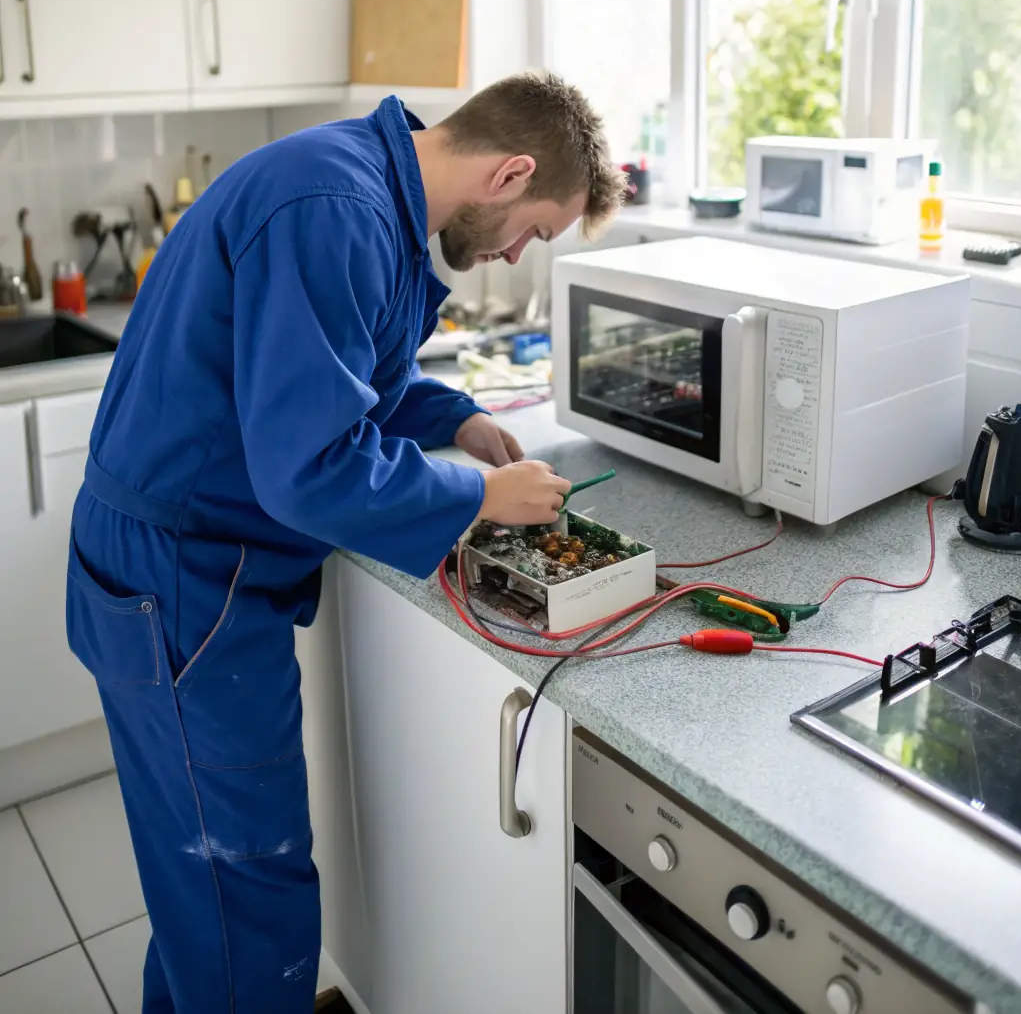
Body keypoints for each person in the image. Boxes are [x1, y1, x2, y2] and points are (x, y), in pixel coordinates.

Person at [66, 71, 624, 1014]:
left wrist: (456, 413)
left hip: (184, 564)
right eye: (535, 229)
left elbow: (345, 373)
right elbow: (311, 462)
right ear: (511, 171)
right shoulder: (336, 210)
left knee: (200, 889)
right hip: (184, 575)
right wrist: (484, 494)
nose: (517, 254)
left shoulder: (374, 191)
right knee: (246, 894)